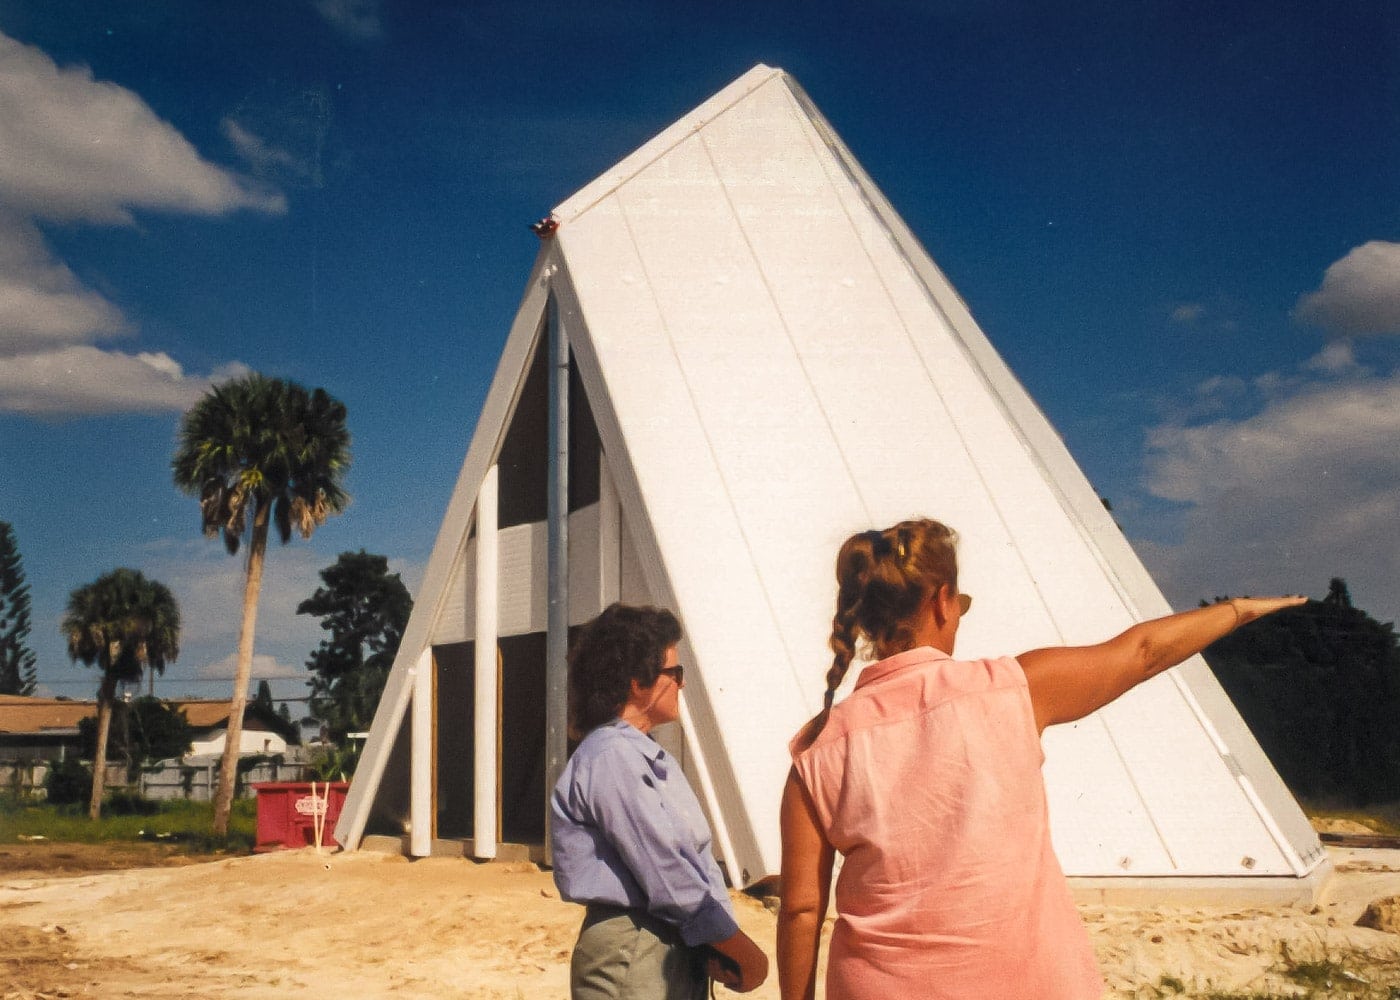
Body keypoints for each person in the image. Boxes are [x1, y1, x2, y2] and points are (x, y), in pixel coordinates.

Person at [776, 518, 1303, 1000]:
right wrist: (1238, 610)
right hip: (1025, 982)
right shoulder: (1010, 689)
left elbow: (801, 910)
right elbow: (1143, 652)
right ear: (942, 601)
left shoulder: (818, 745)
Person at [552, 602, 770, 999]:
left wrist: (709, 943)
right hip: (634, 949)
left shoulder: (640, 756)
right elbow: (666, 871)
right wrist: (744, 951)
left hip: (664, 943)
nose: (681, 684)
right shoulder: (612, 757)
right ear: (638, 680)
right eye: (675, 672)